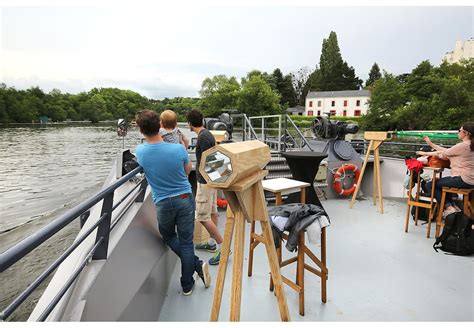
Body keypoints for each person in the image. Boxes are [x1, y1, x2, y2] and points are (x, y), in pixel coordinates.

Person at [134, 110, 210, 296]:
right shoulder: (178, 149)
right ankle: (187, 283)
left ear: (142, 130)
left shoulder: (140, 151)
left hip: (163, 202)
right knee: (186, 242)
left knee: (168, 236)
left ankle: (197, 266)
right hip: (184, 198)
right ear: (159, 125)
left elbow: (144, 168)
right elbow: (187, 170)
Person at [186, 109, 224, 265]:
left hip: (205, 182)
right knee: (213, 212)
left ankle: (223, 247)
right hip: (211, 180)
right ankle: (210, 243)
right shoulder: (207, 134)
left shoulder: (203, 138)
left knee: (202, 217)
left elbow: (211, 160)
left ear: (189, 123)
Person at [416, 122, 474, 217]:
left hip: (462, 179)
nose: (458, 132)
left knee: (430, 185)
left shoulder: (463, 146)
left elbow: (444, 153)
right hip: (470, 180)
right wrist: (431, 144)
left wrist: (425, 153)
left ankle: (449, 207)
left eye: (459, 130)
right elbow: (446, 151)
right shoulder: (470, 145)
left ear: (466, 133)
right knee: (442, 183)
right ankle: (453, 206)